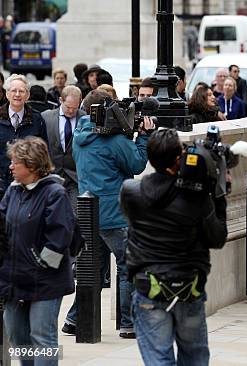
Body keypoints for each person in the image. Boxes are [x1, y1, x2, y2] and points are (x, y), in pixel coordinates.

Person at [121, 129, 228, 365]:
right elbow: (217, 238)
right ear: (178, 159)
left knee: (158, 359)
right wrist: (218, 194)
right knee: (194, 356)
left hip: (149, 286)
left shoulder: (131, 191)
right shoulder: (197, 199)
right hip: (188, 288)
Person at [62, 89, 153, 339]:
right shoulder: (114, 141)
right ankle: (128, 323)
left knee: (93, 269)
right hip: (115, 216)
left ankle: (73, 319)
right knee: (128, 268)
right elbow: (136, 164)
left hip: (90, 214)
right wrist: (142, 137)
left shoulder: (81, 135)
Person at [0, 137, 76, 366]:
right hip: (14, 280)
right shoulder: (13, 191)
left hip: (45, 281)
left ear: (32, 166)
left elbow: (60, 236)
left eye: (16, 162)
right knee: (18, 337)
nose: (10, 167)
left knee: (43, 339)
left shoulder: (55, 193)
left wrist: (41, 264)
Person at [0, 74, 49, 198]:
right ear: (7, 94)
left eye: (21, 91)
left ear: (27, 95)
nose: (17, 94)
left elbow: (44, 153)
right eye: (14, 91)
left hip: (29, 185)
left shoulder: (37, 119)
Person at [41, 85, 85, 210]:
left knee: (75, 217)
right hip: (52, 175)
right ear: (61, 100)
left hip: (75, 177)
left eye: (75, 108)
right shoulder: (46, 117)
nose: (71, 111)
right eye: (68, 107)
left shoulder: (85, 118)